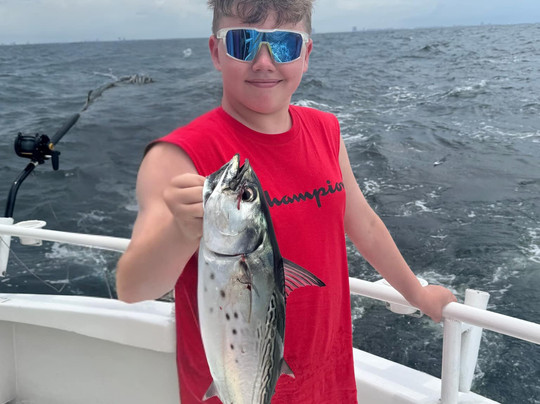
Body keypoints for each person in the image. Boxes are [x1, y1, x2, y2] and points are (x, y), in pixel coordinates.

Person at [116, 0, 457, 403]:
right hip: (232, 388)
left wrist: (418, 295)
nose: (264, 62)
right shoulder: (176, 157)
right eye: (243, 42)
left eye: (284, 45)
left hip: (326, 377)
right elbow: (133, 287)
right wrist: (179, 231)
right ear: (216, 52)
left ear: (306, 54)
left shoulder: (326, 130)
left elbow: (363, 222)